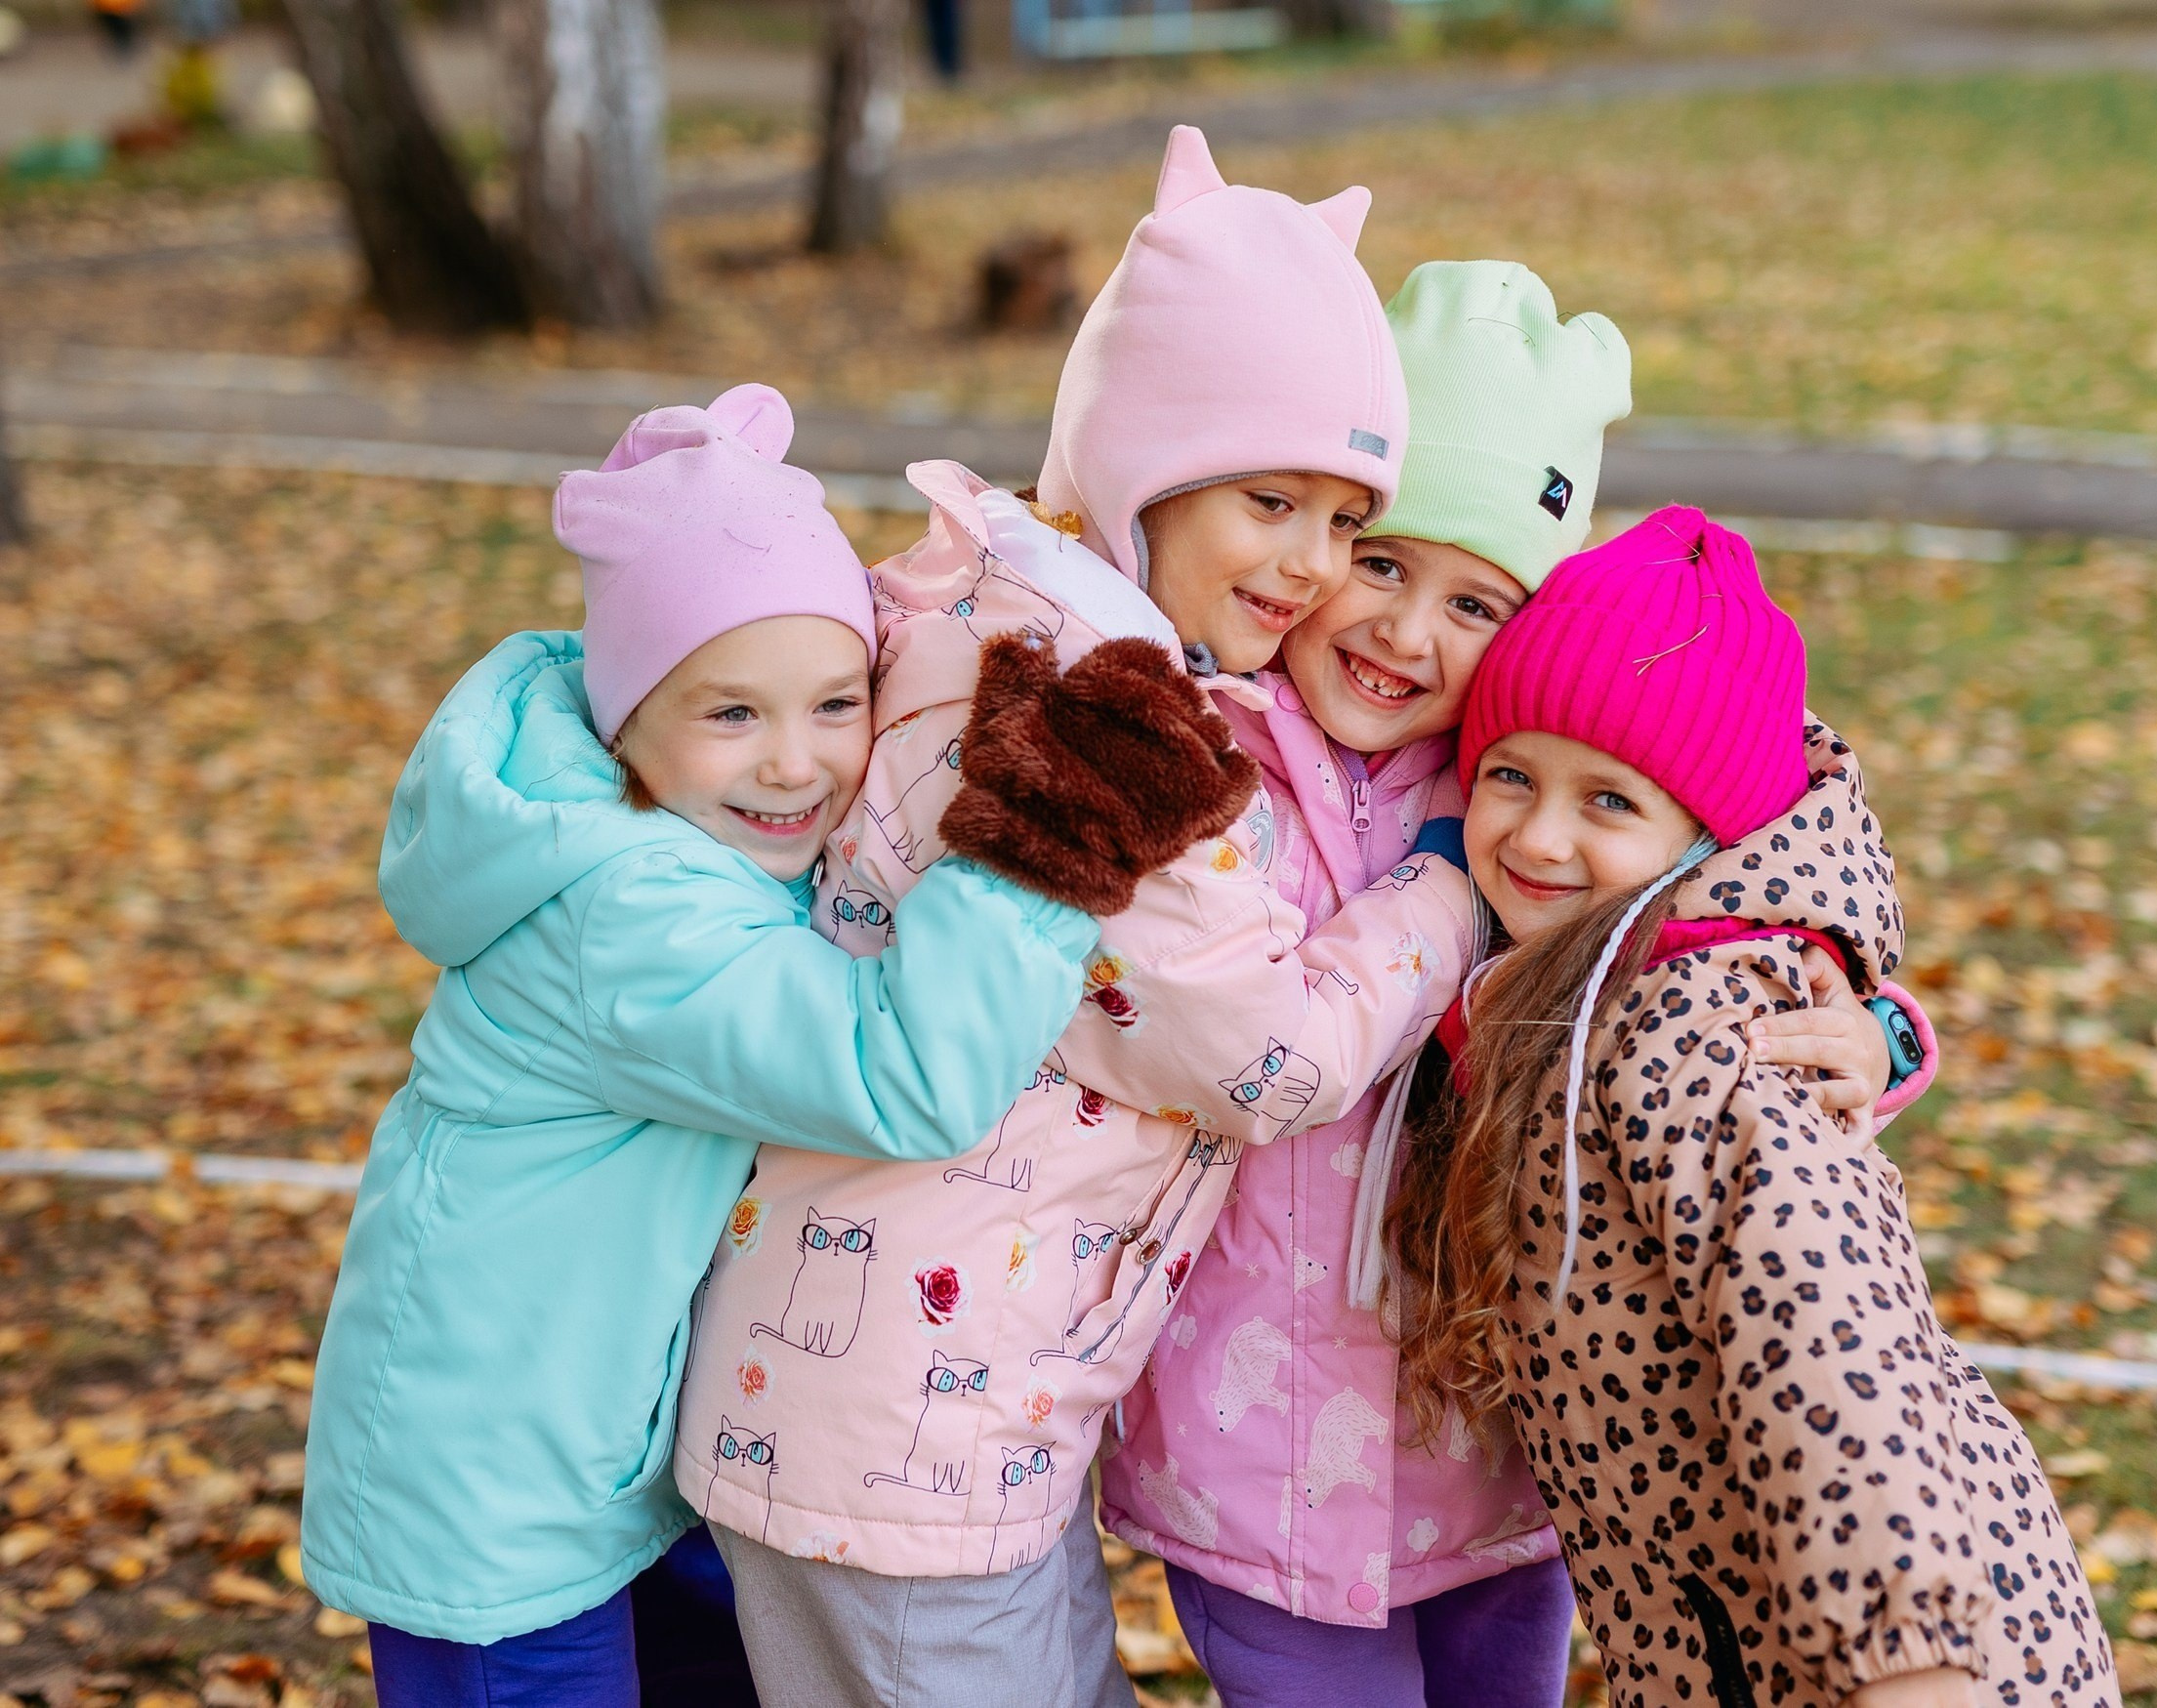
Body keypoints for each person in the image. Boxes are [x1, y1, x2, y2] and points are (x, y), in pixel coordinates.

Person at [674, 128, 1482, 1708]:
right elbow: (1262, 1051)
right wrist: (1441, 890)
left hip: (932, 1409)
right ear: (1140, 458)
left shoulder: (1003, 600)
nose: (1314, 568)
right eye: (1273, 500)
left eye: (1343, 515)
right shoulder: (1096, 709)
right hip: (902, 1441)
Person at [302, 383, 1248, 1707]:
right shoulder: (627, 914)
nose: (798, 764)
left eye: (838, 702)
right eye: (732, 713)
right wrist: (1046, 840)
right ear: (626, 717)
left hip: (613, 1452)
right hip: (501, 1503)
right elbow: (903, 1073)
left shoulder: (676, 832)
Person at [1101, 260, 1928, 1708]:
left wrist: (1882, 1030)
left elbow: (1753, 913)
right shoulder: (1206, 757)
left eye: (1476, 600)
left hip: (1508, 1448)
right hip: (1252, 1458)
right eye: (1380, 562)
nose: (1407, 634)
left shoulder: (1545, 799)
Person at [1392, 507, 2115, 1708]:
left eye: (1609, 802)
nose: (1539, 833)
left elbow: (1831, 1339)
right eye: (1510, 775)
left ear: (1703, 835)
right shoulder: (1568, 990)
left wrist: (1910, 1666)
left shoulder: (1694, 1032)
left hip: (1872, 1647)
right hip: (1742, 1634)